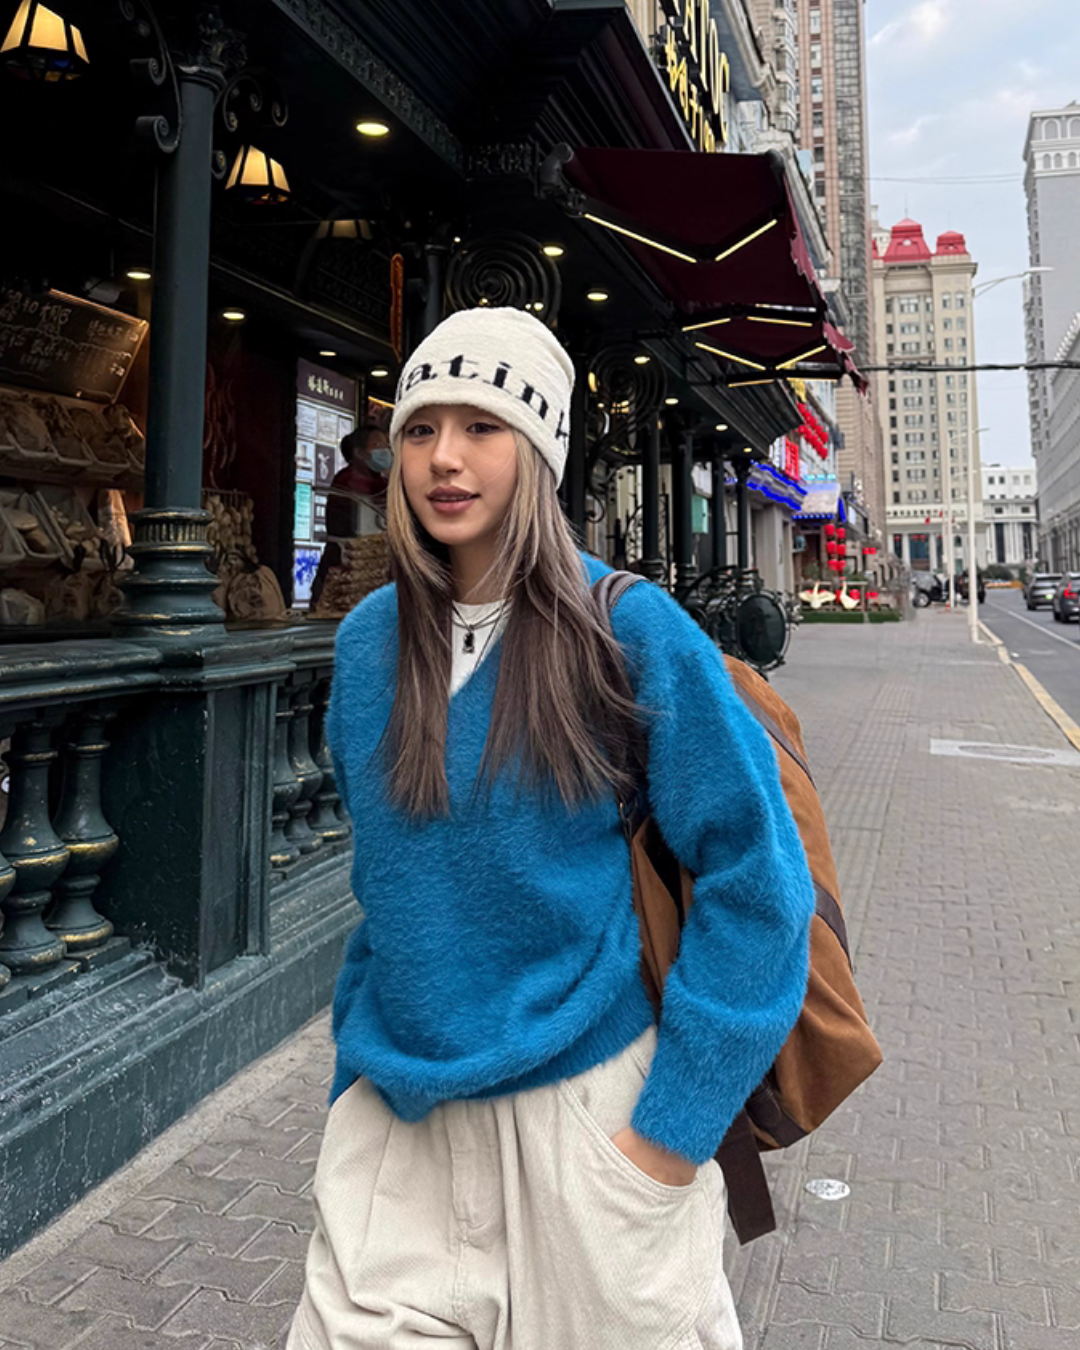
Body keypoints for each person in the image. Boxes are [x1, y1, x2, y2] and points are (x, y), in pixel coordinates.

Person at [288, 307, 815, 1350]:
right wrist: (354, 1085)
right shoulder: (365, 645)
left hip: (587, 1124)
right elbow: (387, 890)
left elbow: (757, 881)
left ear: (539, 452)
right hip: (397, 1129)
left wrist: (671, 1133)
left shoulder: (627, 631)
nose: (443, 457)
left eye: (481, 426)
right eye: (420, 426)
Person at [310, 424, 391, 606]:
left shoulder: (383, 483)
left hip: (375, 566)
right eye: (378, 445)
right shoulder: (347, 481)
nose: (386, 451)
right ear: (360, 453)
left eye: (387, 445)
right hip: (347, 563)